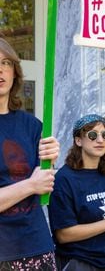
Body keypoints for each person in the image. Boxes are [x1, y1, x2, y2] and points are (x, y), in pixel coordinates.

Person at [48, 114, 105, 270]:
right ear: (78, 140)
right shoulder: (64, 179)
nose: (100, 140)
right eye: (92, 135)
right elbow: (63, 235)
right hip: (80, 262)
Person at [0, 38, 60, 270]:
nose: (1, 70)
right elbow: (35, 184)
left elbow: (43, 183)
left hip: (36, 244)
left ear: (15, 71)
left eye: (6, 62)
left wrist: (50, 161)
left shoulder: (32, 125)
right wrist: (31, 185)